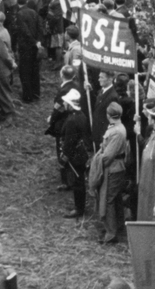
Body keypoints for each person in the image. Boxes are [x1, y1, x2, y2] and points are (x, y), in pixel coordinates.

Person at [95, 103, 127, 245]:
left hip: (113, 169)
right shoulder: (118, 128)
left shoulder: (116, 132)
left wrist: (97, 163)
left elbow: (108, 156)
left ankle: (111, 233)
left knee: (108, 199)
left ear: (108, 115)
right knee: (116, 199)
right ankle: (118, 225)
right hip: (116, 168)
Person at [60, 89, 91, 219]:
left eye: (66, 102)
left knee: (78, 182)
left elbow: (69, 141)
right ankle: (80, 206)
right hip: (81, 153)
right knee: (79, 181)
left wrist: (64, 157)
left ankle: (79, 208)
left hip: (75, 156)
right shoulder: (81, 115)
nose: (64, 104)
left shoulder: (72, 120)